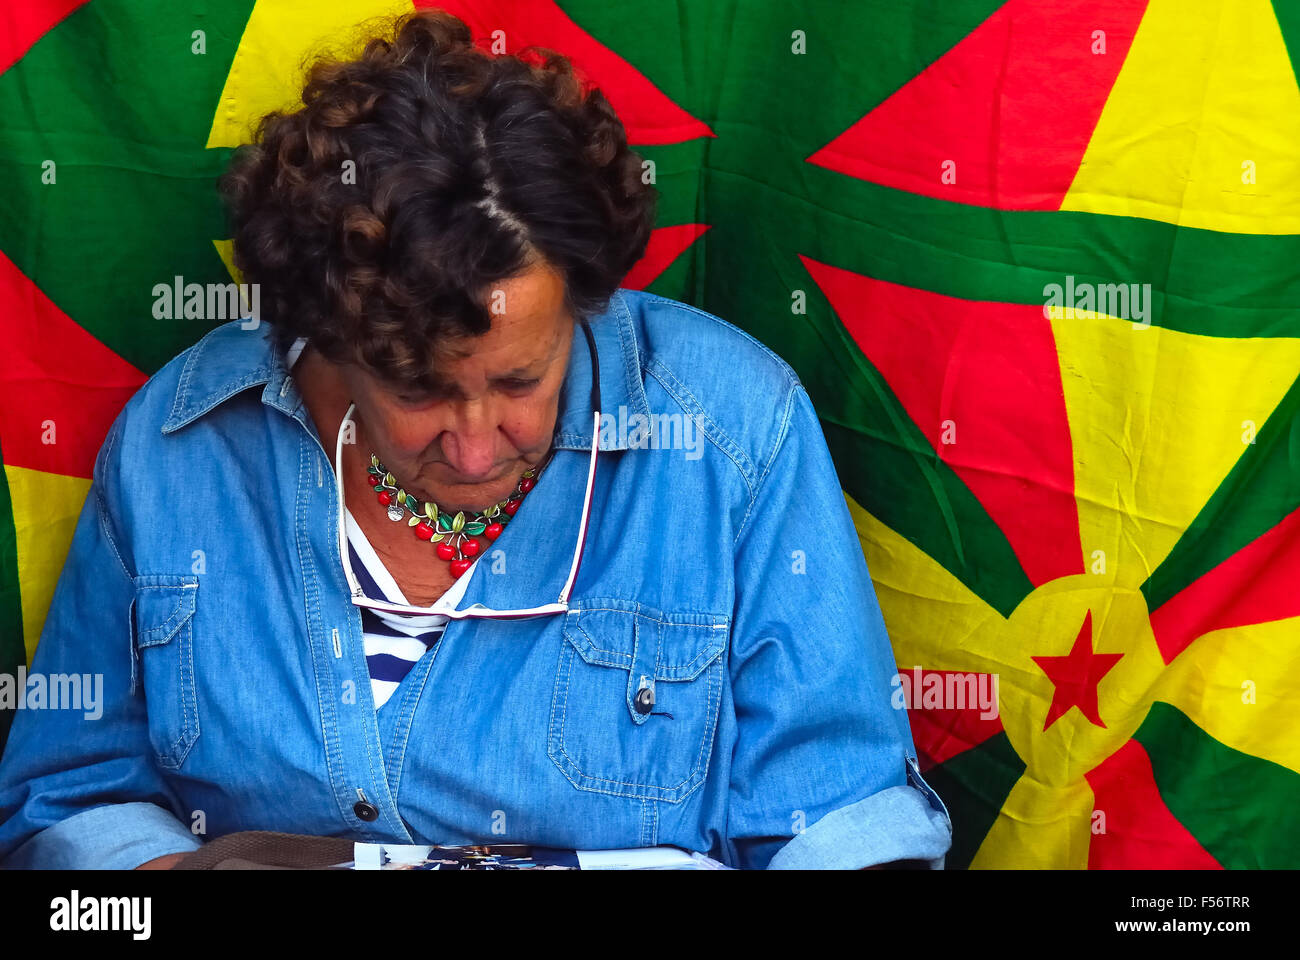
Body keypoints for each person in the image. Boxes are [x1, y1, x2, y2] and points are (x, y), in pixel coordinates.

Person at [0, 9, 951, 870]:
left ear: (585, 304)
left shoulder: (735, 430)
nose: (473, 445)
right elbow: (71, 800)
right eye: (417, 388)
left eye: (520, 381)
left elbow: (840, 821)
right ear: (327, 330)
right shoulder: (180, 448)